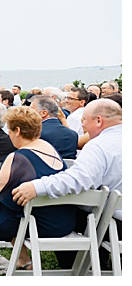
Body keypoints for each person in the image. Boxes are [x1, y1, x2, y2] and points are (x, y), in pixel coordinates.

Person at [11, 99, 122, 270]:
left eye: (84, 120)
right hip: (115, 221)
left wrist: (37, 186)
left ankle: (79, 265)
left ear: (99, 120)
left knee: (61, 214)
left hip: (115, 224)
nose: (82, 126)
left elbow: (78, 180)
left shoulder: (99, 146)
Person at [0, 106, 73, 276]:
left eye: (9, 130)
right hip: (61, 221)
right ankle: (24, 261)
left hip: (35, 224)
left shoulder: (17, 158)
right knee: (15, 205)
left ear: (17, 131)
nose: (8, 135)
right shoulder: (51, 149)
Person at [29, 95, 78, 160]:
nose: (28, 113)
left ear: (43, 113)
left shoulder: (36, 133)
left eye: (31, 110)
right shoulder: (73, 134)